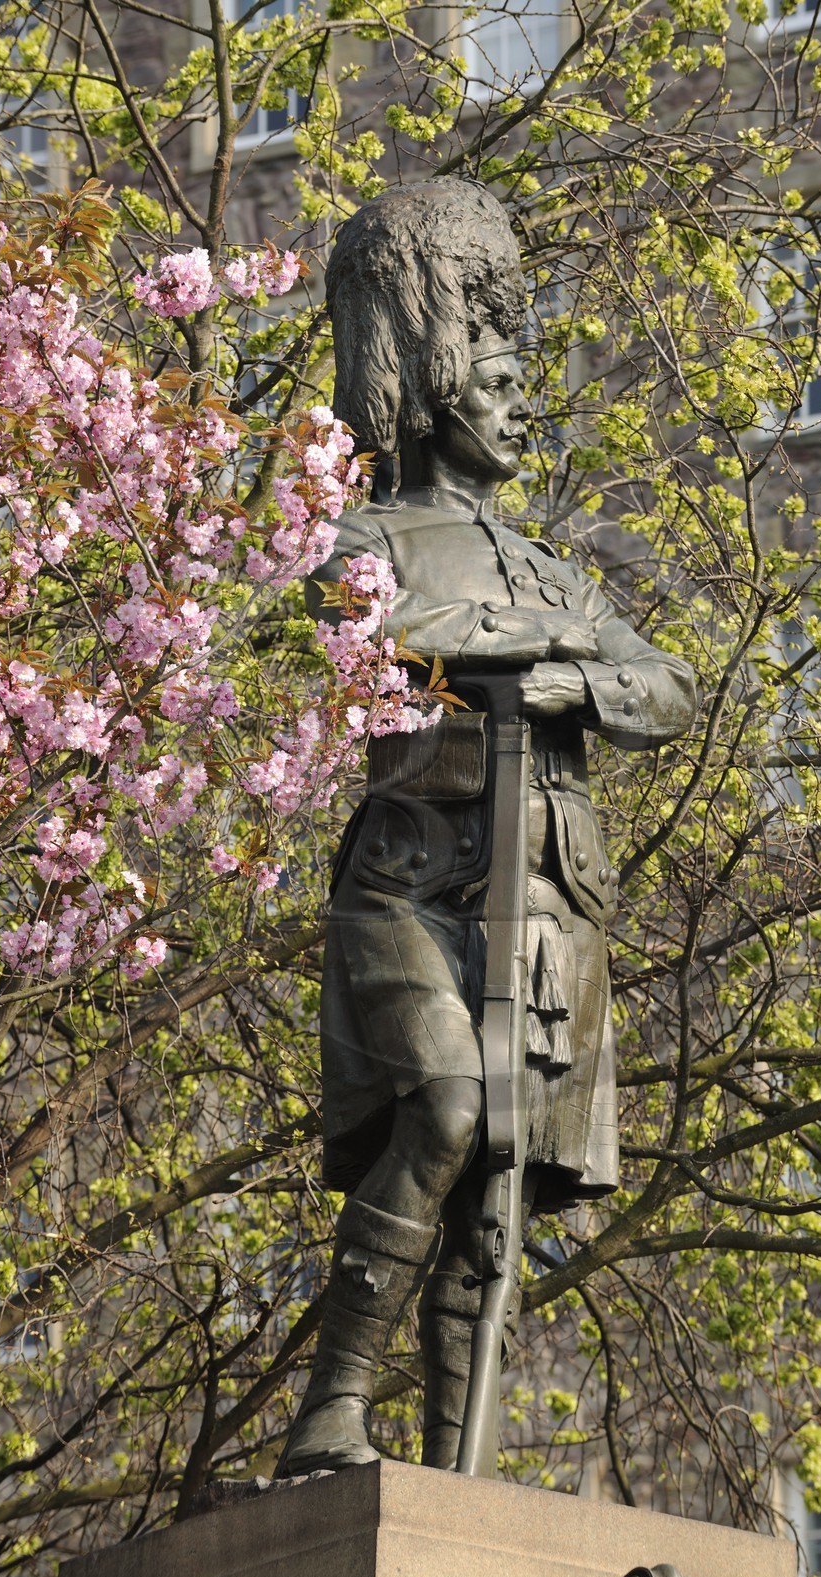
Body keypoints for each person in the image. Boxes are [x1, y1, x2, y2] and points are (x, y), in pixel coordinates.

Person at [274, 179, 697, 1478]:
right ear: (443, 383)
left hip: (549, 892)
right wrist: (540, 655)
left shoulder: (553, 567)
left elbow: (662, 685)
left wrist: (577, 675)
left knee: (500, 1185)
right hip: (414, 874)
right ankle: (333, 1405)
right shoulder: (362, 535)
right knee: (448, 1108)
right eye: (501, 384)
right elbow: (382, 635)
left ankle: (457, 1477)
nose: (523, 411)